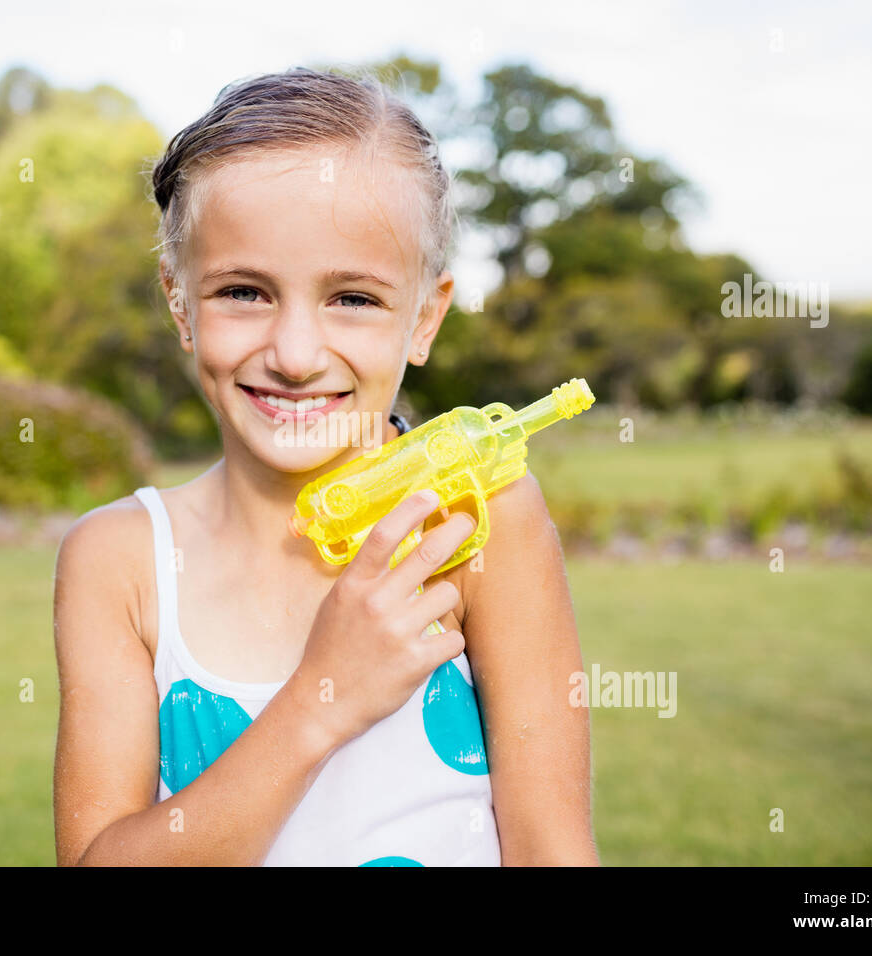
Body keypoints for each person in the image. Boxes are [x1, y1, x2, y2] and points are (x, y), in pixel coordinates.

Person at [52, 66, 599, 866]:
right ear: (180, 305)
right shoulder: (121, 561)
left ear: (425, 317)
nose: (297, 355)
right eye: (244, 291)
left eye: (353, 298)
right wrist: (320, 699)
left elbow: (552, 849)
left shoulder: (475, 518)